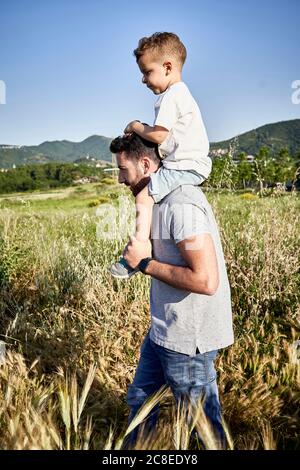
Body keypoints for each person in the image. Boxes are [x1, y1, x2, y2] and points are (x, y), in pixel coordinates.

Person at [109, 133, 234, 448]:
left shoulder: (181, 205)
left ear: (147, 164)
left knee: (201, 425)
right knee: (140, 399)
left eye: (124, 170)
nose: (121, 180)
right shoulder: (157, 202)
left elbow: (206, 280)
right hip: (164, 330)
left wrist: (145, 264)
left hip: (188, 340)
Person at [109, 32, 212, 279]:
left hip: (185, 166)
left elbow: (159, 137)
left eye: (146, 72)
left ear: (167, 67)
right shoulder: (181, 94)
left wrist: (135, 125)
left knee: (144, 197)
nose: (143, 80)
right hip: (189, 164)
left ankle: (137, 253)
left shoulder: (172, 95)